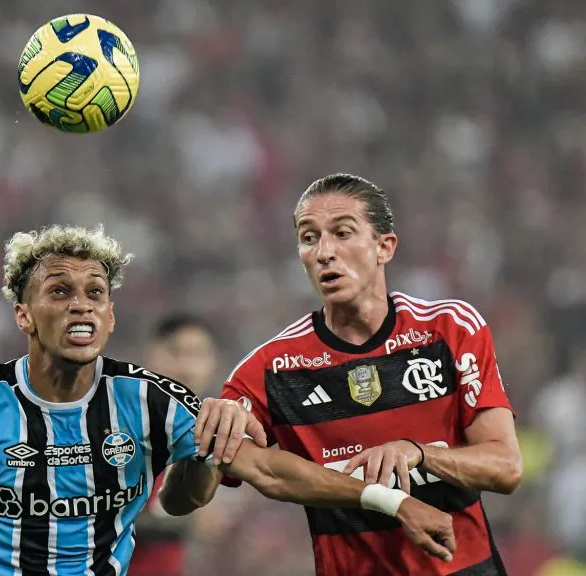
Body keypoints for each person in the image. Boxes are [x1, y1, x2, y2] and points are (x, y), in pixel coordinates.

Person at [0, 224, 456, 576]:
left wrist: (394, 502)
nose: (82, 305)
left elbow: (273, 472)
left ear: (113, 318)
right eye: (59, 292)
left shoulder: (150, 402)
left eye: (95, 292)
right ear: (24, 315)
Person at [169, 174, 522, 575]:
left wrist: (420, 453)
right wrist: (201, 445)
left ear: (384, 247)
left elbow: (506, 467)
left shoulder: (449, 329)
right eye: (308, 238)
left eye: (342, 233)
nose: (324, 252)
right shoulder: (268, 371)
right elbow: (182, 501)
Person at [128, 314, 219, 576]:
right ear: (151, 357)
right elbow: (88, 515)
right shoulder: (121, 425)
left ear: (213, 363)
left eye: (198, 355)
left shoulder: (198, 435)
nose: (187, 368)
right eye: (176, 352)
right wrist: (186, 522)